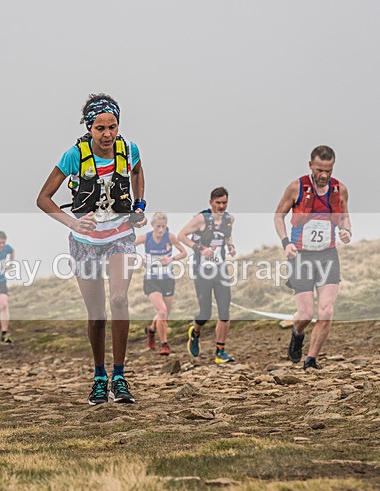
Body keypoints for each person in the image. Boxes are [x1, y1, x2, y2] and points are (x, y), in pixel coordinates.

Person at [37, 93, 146, 405]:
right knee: (97, 315)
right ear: (89, 128)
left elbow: (137, 172)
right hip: (86, 244)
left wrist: (139, 205)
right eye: (100, 128)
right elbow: (43, 198)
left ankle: (120, 376)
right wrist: (73, 223)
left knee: (120, 299)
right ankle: (100, 377)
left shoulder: (129, 149)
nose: (107, 134)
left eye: (112, 127)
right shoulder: (74, 155)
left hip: (120, 236)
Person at [274, 145, 351, 370]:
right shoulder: (296, 187)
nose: (324, 175)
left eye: (328, 170)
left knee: (326, 311)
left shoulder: (340, 189)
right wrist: (286, 242)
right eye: (319, 170)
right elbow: (278, 216)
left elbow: (345, 218)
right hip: (301, 256)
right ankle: (297, 333)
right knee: (306, 314)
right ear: (311, 165)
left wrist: (346, 231)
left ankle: (311, 360)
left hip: (328, 255)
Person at [178, 187, 237, 364]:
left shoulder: (229, 219)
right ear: (211, 202)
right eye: (218, 203)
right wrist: (200, 248)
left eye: (224, 203)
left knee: (224, 311)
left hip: (221, 269)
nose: (221, 206)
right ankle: (195, 332)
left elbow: (227, 236)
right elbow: (181, 235)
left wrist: (231, 246)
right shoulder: (201, 219)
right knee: (205, 313)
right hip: (202, 270)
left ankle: (220, 352)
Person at [134, 212, 186, 356]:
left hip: (168, 279)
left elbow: (184, 253)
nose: (161, 229)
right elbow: (128, 247)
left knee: (164, 315)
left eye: (163, 226)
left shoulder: (170, 237)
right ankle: (165, 345)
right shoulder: (146, 237)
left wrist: (172, 259)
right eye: (158, 226)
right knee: (162, 311)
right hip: (151, 280)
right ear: (153, 225)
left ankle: (151, 330)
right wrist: (140, 260)